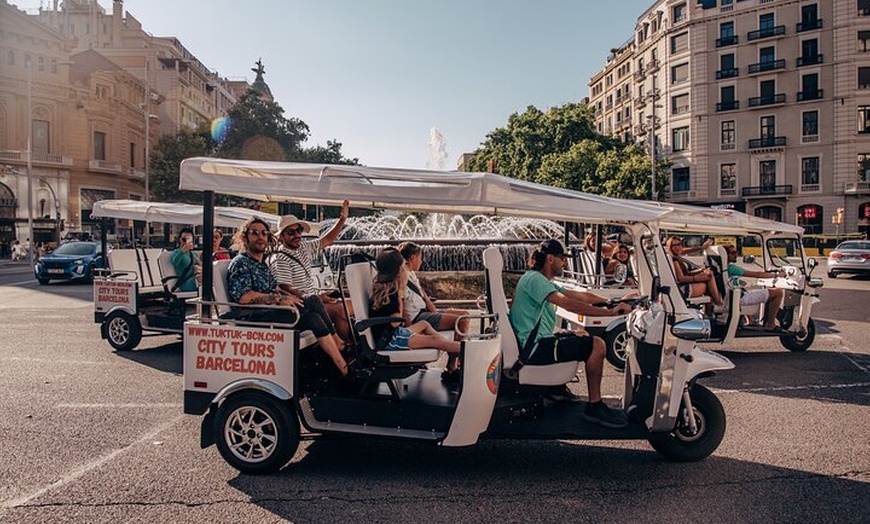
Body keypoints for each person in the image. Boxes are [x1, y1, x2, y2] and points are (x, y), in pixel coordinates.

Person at [509, 239, 631, 428]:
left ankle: (555, 389)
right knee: (597, 345)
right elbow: (569, 304)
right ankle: (594, 407)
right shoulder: (536, 280)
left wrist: (612, 301)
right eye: (562, 259)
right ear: (550, 259)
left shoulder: (538, 279)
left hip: (536, 344)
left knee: (579, 334)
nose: (564, 263)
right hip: (534, 350)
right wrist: (610, 313)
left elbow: (579, 296)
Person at [227, 217, 350, 377]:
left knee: (314, 318)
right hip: (256, 319)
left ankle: (342, 366)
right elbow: (244, 297)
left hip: (271, 312)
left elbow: (276, 288)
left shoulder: (261, 263)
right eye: (255, 233)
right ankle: (339, 343)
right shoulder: (241, 263)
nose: (261, 237)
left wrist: (287, 296)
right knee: (313, 300)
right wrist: (279, 299)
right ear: (245, 238)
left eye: (264, 233)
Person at [268, 201, 353, 343]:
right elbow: (286, 288)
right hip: (303, 304)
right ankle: (345, 346)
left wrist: (342, 219)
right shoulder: (281, 258)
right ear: (281, 237)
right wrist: (317, 298)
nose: (296, 235)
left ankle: (351, 345)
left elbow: (327, 239)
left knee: (350, 303)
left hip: (313, 298)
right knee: (341, 310)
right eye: (291, 232)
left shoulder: (303, 248)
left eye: (298, 230)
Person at [369, 248, 462, 360]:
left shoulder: (383, 288)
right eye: (403, 267)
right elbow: (395, 322)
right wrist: (400, 301)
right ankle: (464, 349)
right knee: (434, 340)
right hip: (391, 339)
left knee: (424, 323)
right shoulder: (392, 293)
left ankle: (448, 346)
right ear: (398, 271)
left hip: (390, 334)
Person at [398, 241, 467, 381]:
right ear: (412, 258)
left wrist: (436, 312)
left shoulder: (411, 274)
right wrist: (410, 329)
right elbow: (403, 306)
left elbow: (423, 295)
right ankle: (452, 367)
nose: (421, 261)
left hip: (425, 313)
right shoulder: (402, 276)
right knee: (463, 320)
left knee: (464, 314)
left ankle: (453, 363)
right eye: (420, 257)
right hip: (419, 317)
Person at [723, 244, 784, 329]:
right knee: (778, 292)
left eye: (736, 252)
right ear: (726, 255)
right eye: (733, 253)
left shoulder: (719, 267)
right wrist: (777, 275)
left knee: (745, 289)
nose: (736, 255)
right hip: (737, 299)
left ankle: (750, 320)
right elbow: (756, 274)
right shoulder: (731, 268)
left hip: (728, 297)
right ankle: (771, 324)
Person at [665, 236, 723, 309]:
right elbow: (681, 278)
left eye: (679, 244)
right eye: (674, 245)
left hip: (681, 286)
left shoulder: (676, 256)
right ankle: (719, 304)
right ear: (670, 247)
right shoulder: (674, 260)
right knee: (709, 280)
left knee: (708, 275)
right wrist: (697, 278)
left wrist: (700, 271)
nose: (677, 247)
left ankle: (711, 310)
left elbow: (684, 251)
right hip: (683, 289)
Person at [170, 228, 202, 293]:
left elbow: (201, 264)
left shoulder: (192, 253)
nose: (185, 242)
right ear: (179, 240)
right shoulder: (177, 252)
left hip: (195, 278)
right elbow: (175, 262)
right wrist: (183, 250)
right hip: (185, 282)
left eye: (188, 239)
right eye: (184, 239)